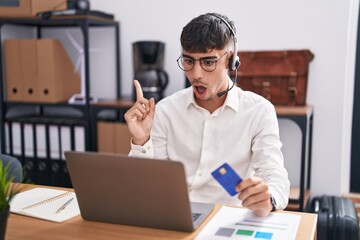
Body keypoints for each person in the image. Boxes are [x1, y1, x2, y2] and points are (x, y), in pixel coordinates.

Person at [124, 12, 290, 217]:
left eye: (208, 62)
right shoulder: (166, 110)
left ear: (230, 61)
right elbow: (146, 184)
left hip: (228, 217)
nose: (196, 74)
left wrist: (269, 198)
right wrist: (141, 141)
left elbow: (275, 174)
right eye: (188, 61)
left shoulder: (259, 111)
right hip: (176, 215)